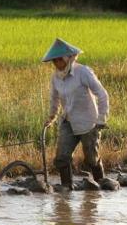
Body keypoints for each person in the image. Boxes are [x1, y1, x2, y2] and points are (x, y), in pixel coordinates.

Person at [43, 38, 110, 191]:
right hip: (68, 121)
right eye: (54, 61)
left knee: (91, 159)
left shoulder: (83, 72)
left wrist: (101, 119)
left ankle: (101, 186)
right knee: (61, 157)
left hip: (89, 123)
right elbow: (54, 99)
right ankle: (66, 188)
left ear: (68, 58)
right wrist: (51, 117)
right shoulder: (56, 77)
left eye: (59, 60)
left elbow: (102, 94)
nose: (56, 64)